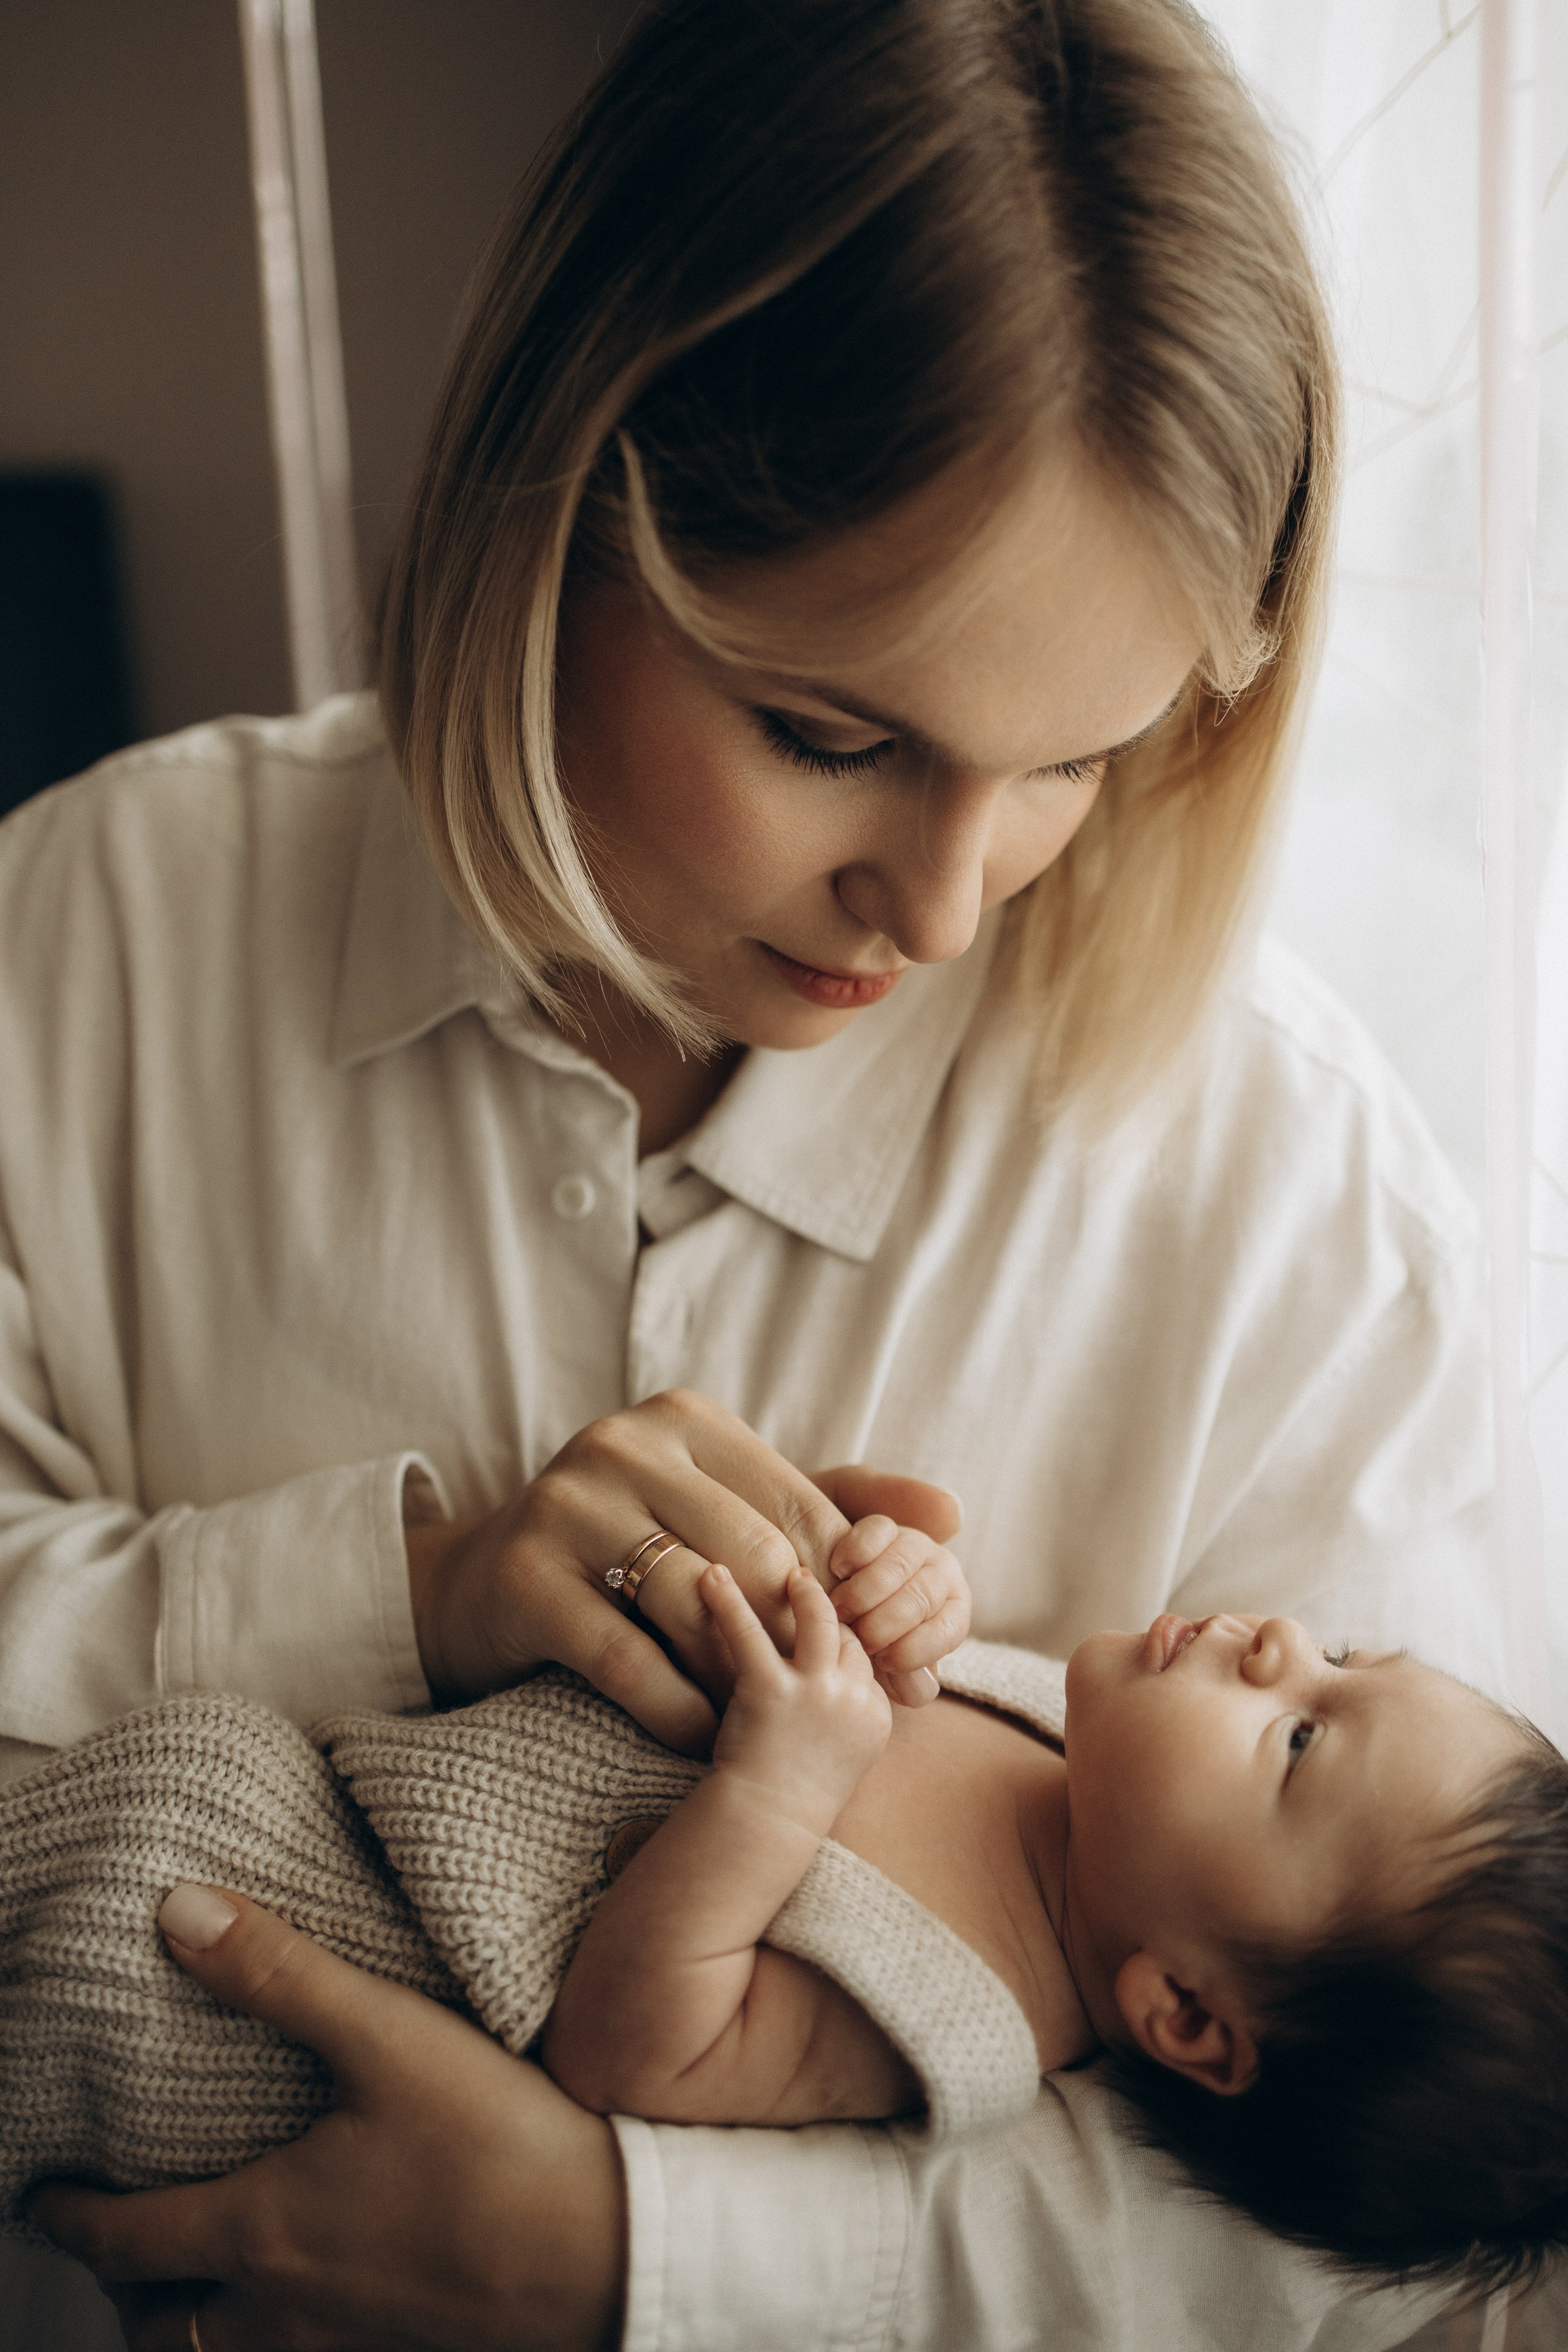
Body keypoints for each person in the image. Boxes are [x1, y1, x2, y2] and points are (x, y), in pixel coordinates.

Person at [0, 0, 1506, 2344]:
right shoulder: (75, 949)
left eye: (1079, 761)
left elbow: (1438, 2248)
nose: (945, 904)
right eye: (829, 735)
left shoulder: (1307, 1220)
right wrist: (395, 1591)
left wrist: (634, 2259)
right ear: (555, 506)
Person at [5, 1552, 1564, 2296]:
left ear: (1181, 2018)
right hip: (288, 1803)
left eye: (1298, 1736)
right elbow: (837, 1689)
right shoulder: (1050, 1742)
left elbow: (633, 2053)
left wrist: (775, 1780)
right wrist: (887, 1598)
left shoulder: (959, 2011)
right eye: (1346, 1655)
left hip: (222, 2005)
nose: (1283, 1642)